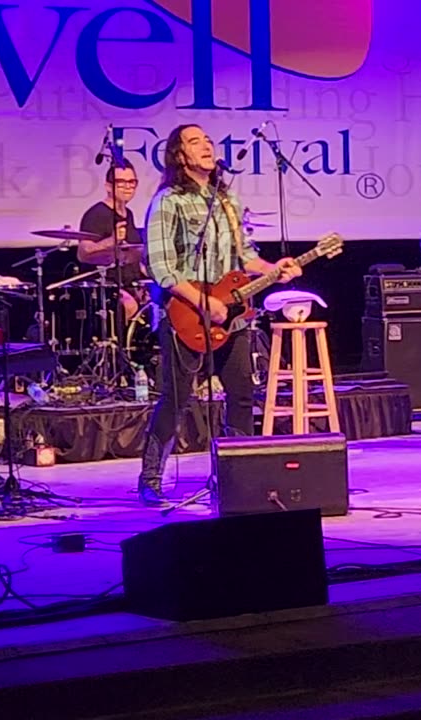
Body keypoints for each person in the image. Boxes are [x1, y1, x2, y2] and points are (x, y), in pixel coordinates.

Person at [137, 124, 302, 506]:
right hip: (185, 314)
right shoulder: (168, 201)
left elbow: (244, 256)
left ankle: (237, 474)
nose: (207, 146)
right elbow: (163, 267)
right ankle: (150, 479)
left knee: (242, 394)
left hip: (232, 315)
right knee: (176, 400)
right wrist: (201, 301)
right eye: (196, 142)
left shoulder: (228, 200)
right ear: (179, 156)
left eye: (209, 140)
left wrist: (274, 269)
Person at [78, 158, 145, 323]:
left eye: (132, 182)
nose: (128, 187)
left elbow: (132, 254)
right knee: (130, 307)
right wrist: (111, 241)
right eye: (121, 182)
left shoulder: (128, 213)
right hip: (107, 287)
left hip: (130, 283)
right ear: (108, 186)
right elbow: (83, 253)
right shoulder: (96, 214)